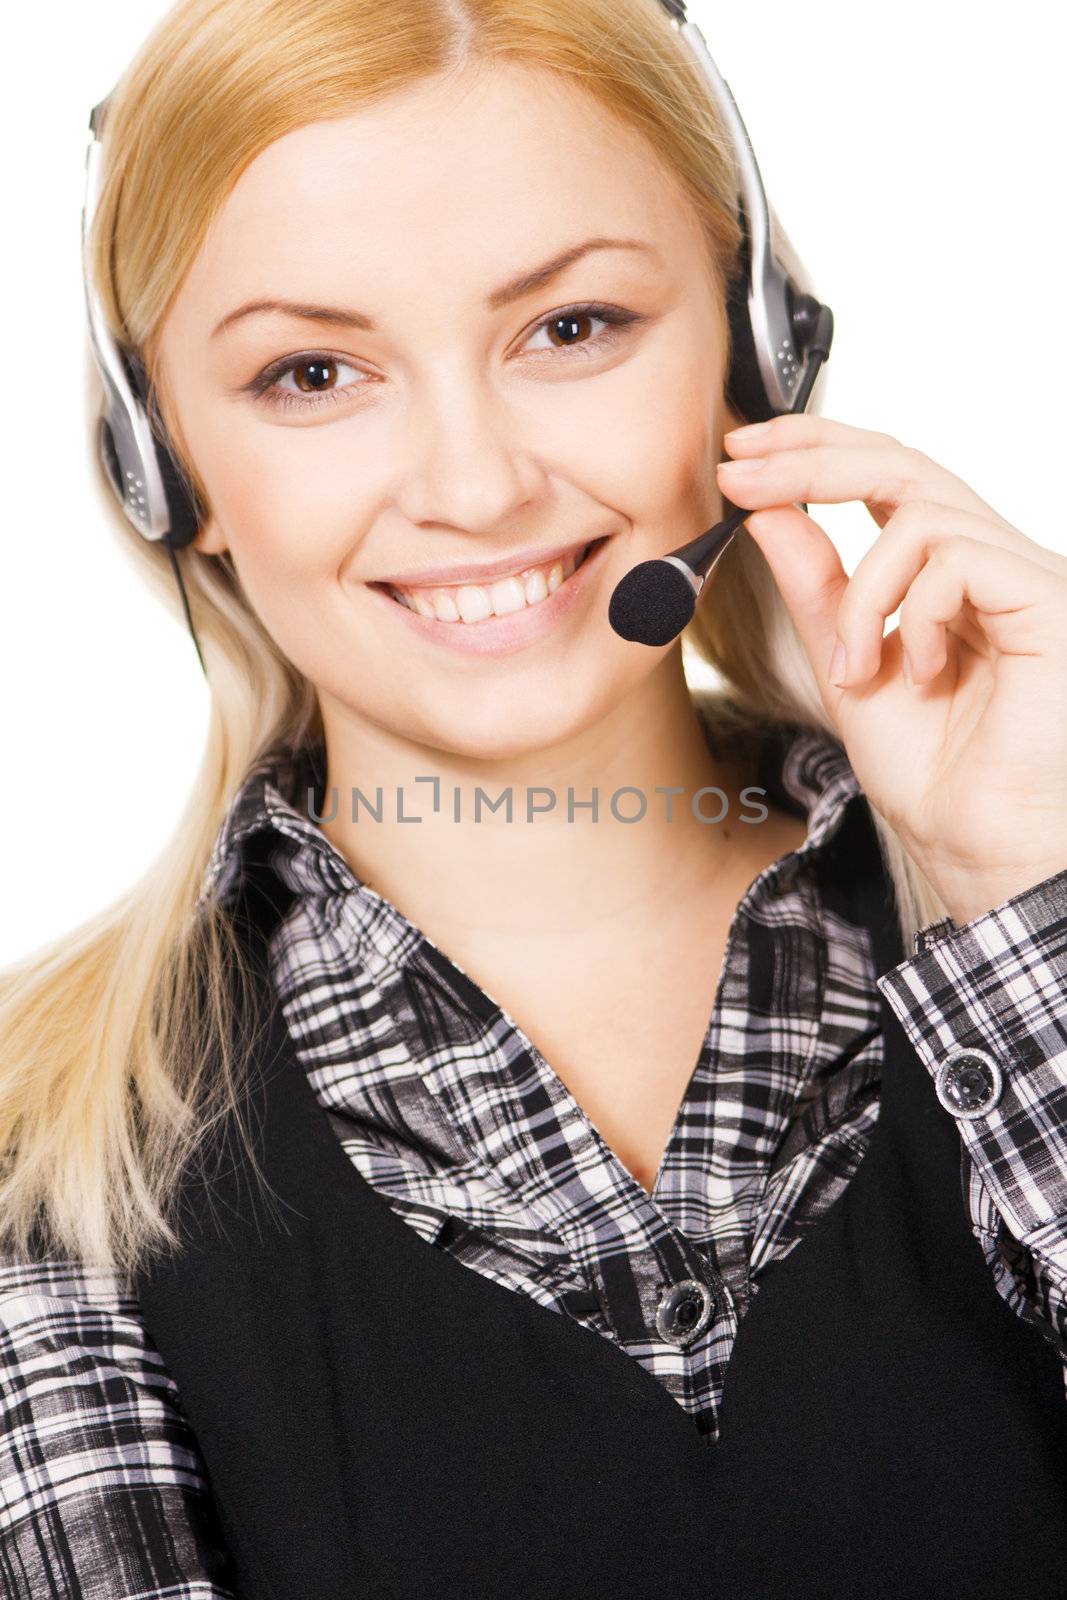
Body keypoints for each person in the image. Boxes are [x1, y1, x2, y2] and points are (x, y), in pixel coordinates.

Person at [2, 0, 1066, 1594]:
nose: (477, 483)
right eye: (311, 372)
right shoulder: (39, 1171)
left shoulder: (1040, 925)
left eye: (570, 329)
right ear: (168, 465)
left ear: (755, 346)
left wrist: (1035, 894)